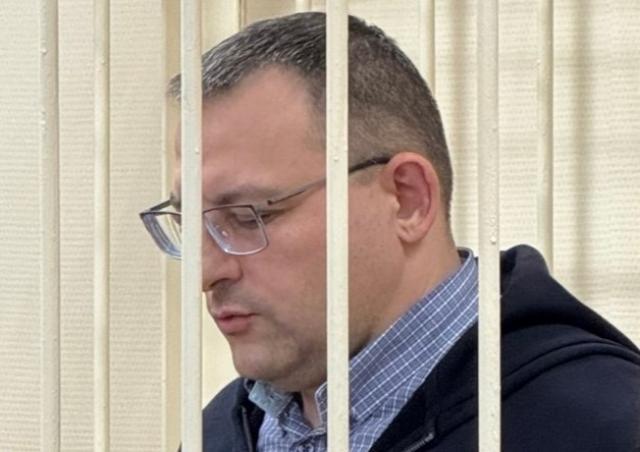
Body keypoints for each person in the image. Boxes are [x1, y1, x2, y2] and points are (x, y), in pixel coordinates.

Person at [139, 12, 640, 452]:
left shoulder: (598, 424)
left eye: (250, 217)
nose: (206, 272)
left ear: (407, 198)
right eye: (192, 222)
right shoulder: (221, 432)